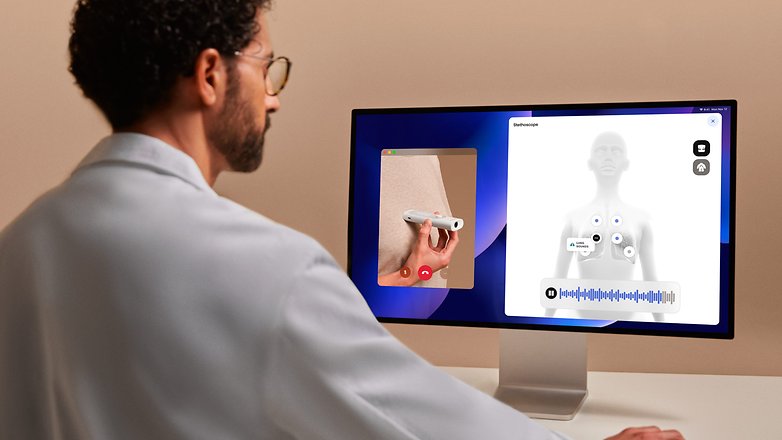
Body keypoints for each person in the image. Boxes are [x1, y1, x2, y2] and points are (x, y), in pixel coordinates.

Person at [0, 1, 683, 439]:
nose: (272, 100)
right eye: (267, 69)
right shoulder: (271, 268)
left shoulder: (20, 245)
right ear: (210, 75)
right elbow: (416, 421)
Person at [548, 132, 662, 322]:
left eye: (616, 151)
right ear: (590, 162)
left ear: (626, 163)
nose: (608, 156)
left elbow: (651, 280)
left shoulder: (641, 220)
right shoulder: (573, 219)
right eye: (601, 150)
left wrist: (663, 328)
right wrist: (544, 324)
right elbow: (558, 278)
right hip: (578, 320)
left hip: (631, 322)